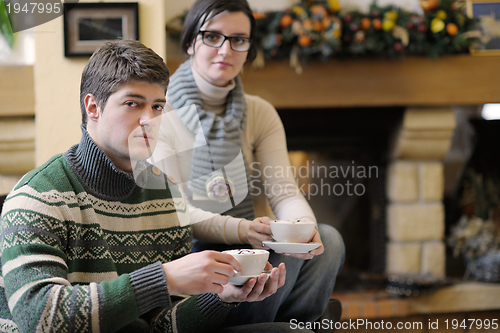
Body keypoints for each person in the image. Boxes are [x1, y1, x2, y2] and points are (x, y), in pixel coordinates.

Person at [0, 39, 311, 333]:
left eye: (158, 107)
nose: (149, 119)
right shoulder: (38, 197)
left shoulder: (165, 196)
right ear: (92, 107)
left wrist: (221, 297)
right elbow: (39, 320)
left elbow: (162, 325)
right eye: (133, 104)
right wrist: (164, 279)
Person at [150, 0, 345, 327]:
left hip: (247, 240)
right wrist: (244, 230)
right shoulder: (159, 111)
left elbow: (284, 193)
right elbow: (174, 210)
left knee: (329, 240)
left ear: (249, 49)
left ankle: (284, 326)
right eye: (212, 36)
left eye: (239, 40)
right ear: (189, 42)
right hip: (194, 250)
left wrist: (302, 228)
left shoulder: (259, 112)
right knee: (272, 254)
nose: (226, 50)